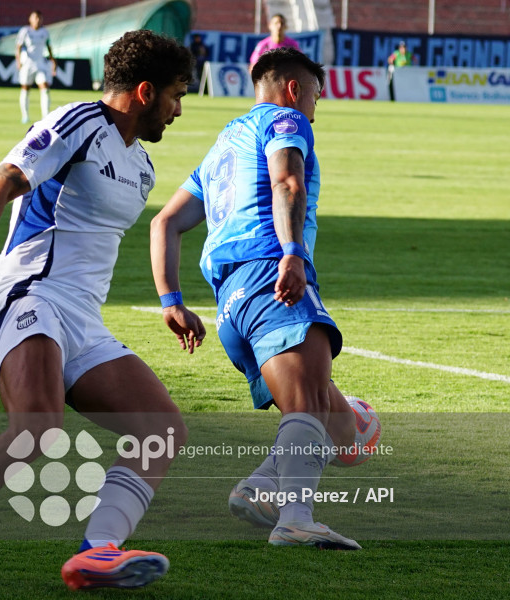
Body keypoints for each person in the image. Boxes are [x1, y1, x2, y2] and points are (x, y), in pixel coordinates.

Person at [0, 30, 195, 590]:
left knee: (162, 428)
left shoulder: (141, 166)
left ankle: (97, 551)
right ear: (145, 91)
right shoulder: (77, 124)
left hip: (83, 320)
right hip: (31, 297)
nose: (177, 111)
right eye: (176, 95)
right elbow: (1, 181)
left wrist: (169, 301)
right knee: (36, 428)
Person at [150, 47, 362, 550]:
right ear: (294, 89)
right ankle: (295, 519)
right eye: (314, 95)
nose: (314, 107)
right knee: (308, 407)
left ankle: (261, 487)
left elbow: (165, 223)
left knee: (336, 422)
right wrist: (291, 253)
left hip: (231, 304)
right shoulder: (287, 120)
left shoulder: (224, 144)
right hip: (273, 275)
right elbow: (286, 180)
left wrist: (170, 300)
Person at [15, 10, 57, 124]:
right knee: (25, 89)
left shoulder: (45, 32)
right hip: (28, 64)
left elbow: (49, 47)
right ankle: (25, 116)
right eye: (35, 18)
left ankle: (46, 116)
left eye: (40, 18)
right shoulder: (25, 31)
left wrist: (53, 61)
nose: (38, 20)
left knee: (45, 88)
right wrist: (18, 61)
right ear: (30, 19)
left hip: (40, 64)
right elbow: (18, 47)